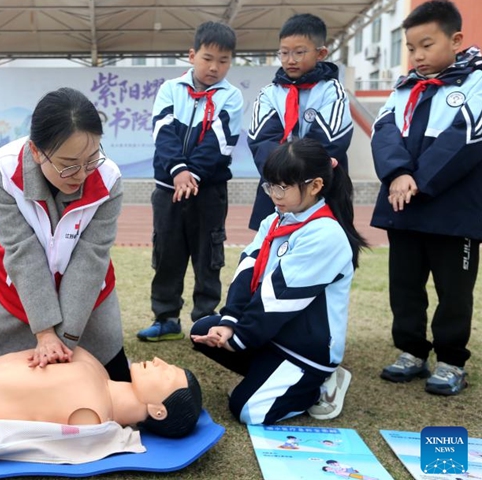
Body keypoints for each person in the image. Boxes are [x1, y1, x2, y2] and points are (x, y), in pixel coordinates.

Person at [190, 138, 367, 425]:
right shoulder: (277, 218)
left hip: (306, 349)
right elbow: (248, 266)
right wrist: (230, 320)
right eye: (269, 185)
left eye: (282, 187)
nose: (273, 194)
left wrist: (241, 337)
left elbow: (280, 295)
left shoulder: (325, 234)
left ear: (315, 186)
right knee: (206, 331)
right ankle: (270, 376)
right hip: (274, 334)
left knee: (248, 410)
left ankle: (320, 384)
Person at [0, 87, 129, 381]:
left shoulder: (109, 178)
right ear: (36, 151)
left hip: (88, 299)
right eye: (68, 164)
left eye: (91, 158)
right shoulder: (1, 170)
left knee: (114, 382)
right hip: (19, 293)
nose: (82, 173)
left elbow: (91, 257)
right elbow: (22, 249)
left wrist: (65, 340)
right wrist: (44, 332)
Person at [372, 0, 482, 396]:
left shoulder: (476, 82)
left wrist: (416, 180)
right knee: (404, 284)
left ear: (455, 40)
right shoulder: (404, 88)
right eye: (412, 48)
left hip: (453, 212)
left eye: (427, 45)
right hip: (403, 207)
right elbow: (382, 131)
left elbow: (466, 138)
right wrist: (398, 173)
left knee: (453, 290)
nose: (418, 56)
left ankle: (451, 361)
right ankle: (411, 351)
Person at [136, 21, 243, 342]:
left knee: (208, 257)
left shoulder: (232, 96)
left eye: (223, 61)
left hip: (208, 193)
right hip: (169, 191)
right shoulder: (170, 89)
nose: (214, 67)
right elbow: (162, 132)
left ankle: (205, 322)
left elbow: (220, 142)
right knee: (166, 253)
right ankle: (166, 318)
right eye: (208, 58)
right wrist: (179, 171)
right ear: (192, 55)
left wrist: (192, 174)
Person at [0, 347, 202, 441]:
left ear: (159, 410)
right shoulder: (98, 372)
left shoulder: (91, 418)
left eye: (167, 374)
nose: (158, 360)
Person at [246, 13, 353, 231]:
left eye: (299, 52)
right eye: (284, 53)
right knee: (270, 253)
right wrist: (285, 185)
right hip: (278, 190)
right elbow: (262, 142)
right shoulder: (268, 94)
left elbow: (329, 143)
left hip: (321, 189)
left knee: (326, 253)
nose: (290, 60)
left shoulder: (333, 92)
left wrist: (302, 187)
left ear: (321, 53)